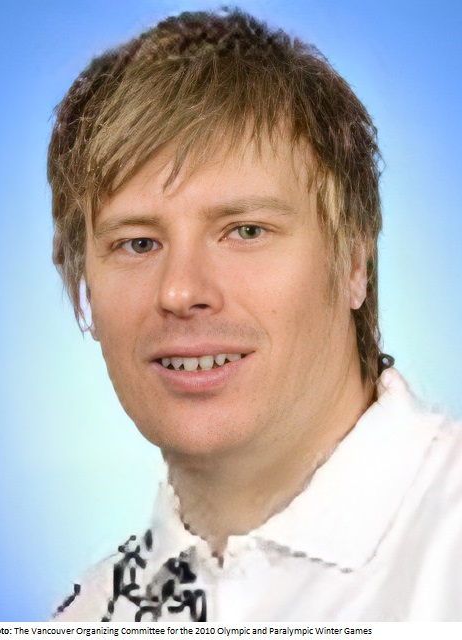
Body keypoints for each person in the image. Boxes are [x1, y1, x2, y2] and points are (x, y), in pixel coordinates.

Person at [48, 8, 462, 622]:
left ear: (355, 262)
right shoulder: (83, 615)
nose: (181, 291)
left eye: (245, 230)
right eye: (137, 243)